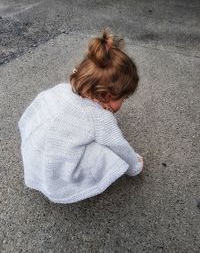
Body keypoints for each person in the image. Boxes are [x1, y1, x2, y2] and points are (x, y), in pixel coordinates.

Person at [18, 29, 144, 204]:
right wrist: (135, 166)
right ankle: (78, 183)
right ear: (106, 96)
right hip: (58, 177)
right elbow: (120, 147)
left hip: (34, 160)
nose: (123, 103)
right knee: (108, 152)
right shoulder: (100, 118)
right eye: (123, 98)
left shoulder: (61, 89)